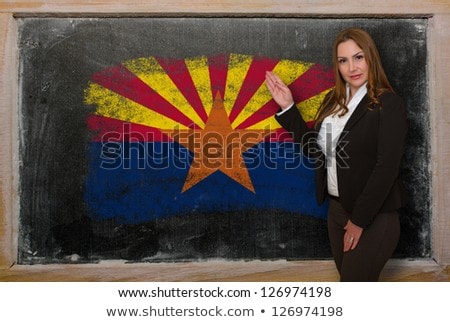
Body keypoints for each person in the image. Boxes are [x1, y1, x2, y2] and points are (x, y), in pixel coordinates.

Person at [265, 28, 408, 281]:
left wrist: (359, 221)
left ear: (371, 58)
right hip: (336, 212)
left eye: (358, 57)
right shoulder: (333, 101)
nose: (352, 67)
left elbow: (386, 168)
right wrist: (287, 107)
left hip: (373, 217)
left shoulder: (389, 104)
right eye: (343, 60)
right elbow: (317, 152)